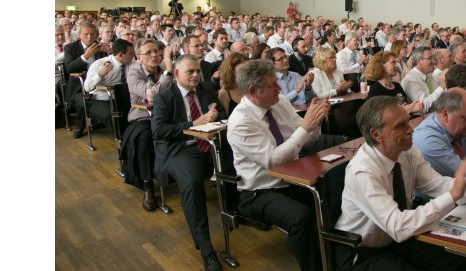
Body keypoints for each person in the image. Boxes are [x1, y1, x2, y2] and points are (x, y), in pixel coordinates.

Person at [334, 96, 466, 270]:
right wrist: (453, 195)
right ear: (376, 135)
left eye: (408, 122)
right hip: (361, 251)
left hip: (397, 239)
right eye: (400, 126)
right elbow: (397, 226)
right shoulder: (362, 171)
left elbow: (436, 185)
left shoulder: (407, 151)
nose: (411, 130)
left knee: (463, 258)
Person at [227, 60, 334, 271]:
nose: (279, 88)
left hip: (294, 177)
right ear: (253, 91)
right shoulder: (240, 121)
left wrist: (315, 120)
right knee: (300, 217)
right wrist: (305, 128)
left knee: (333, 195)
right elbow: (273, 160)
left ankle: (337, 259)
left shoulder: (280, 102)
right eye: (272, 85)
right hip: (260, 189)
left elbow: (307, 139)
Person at [151, 54, 227, 271]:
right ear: (176, 74)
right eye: (190, 72)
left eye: (197, 71)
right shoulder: (164, 97)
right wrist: (193, 124)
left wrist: (214, 116)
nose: (196, 75)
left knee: (239, 160)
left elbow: (221, 113)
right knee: (193, 182)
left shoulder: (205, 88)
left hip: (212, 143)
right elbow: (158, 131)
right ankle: (206, 249)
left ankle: (241, 214)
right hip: (182, 149)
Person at [124, 38, 175, 211]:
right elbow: (154, 94)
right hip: (143, 117)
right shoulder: (133, 72)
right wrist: (169, 72)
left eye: (156, 51)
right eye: (149, 53)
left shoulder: (162, 70)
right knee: (145, 138)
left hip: (166, 116)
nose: (154, 55)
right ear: (139, 57)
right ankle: (148, 186)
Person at [64, 21, 109, 138]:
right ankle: (80, 126)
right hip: (80, 86)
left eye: (92, 34)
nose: (89, 37)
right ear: (79, 34)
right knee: (82, 99)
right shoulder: (70, 47)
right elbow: (69, 68)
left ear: (96, 34)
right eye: (86, 34)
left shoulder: (101, 47)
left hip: (101, 82)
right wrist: (85, 56)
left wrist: (110, 52)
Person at [82, 39, 135, 136]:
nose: (133, 55)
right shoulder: (99, 64)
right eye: (130, 53)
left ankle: (134, 136)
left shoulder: (131, 63)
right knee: (110, 114)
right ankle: (122, 140)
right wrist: (100, 74)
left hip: (123, 98)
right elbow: (87, 87)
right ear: (120, 55)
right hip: (100, 100)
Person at [401, 46, 445, 112]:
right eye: (430, 58)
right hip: (420, 119)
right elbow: (423, 107)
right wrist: (441, 87)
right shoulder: (410, 79)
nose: (433, 61)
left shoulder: (429, 75)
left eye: (432, 58)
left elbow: (440, 97)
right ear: (419, 61)